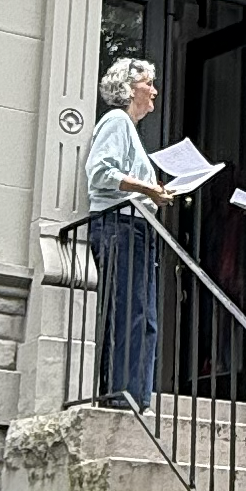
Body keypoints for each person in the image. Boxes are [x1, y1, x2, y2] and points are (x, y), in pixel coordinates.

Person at [85, 57, 176, 408]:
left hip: (135, 228)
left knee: (144, 316)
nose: (154, 90)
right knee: (128, 312)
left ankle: (136, 396)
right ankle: (121, 395)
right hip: (119, 227)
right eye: (148, 82)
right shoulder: (116, 120)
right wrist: (148, 189)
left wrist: (154, 192)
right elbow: (100, 173)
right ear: (128, 87)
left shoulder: (131, 132)